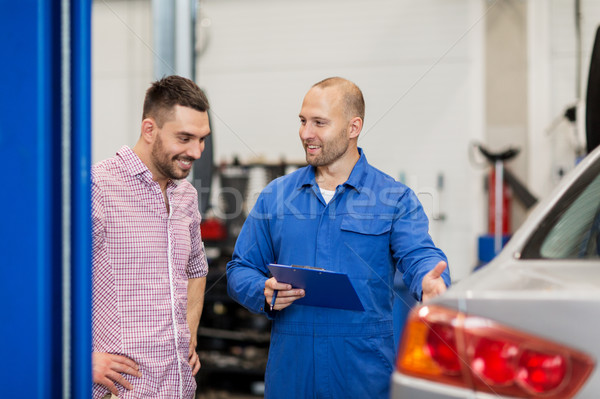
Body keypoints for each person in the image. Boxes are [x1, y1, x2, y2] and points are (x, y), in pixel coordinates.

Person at [226, 77, 450, 398]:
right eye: (303, 121)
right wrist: (261, 290)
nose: (306, 133)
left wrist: (430, 283)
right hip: (291, 373)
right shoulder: (275, 197)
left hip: (362, 374)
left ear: (353, 127)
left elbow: (420, 255)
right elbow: (239, 269)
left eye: (319, 123)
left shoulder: (393, 199)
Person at [91, 75, 211, 398]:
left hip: (176, 386)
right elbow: (47, 283)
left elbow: (196, 269)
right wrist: (80, 358)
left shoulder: (185, 195)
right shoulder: (97, 187)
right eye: (185, 138)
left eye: (202, 139)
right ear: (149, 130)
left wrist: (189, 334)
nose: (196, 151)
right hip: (121, 390)